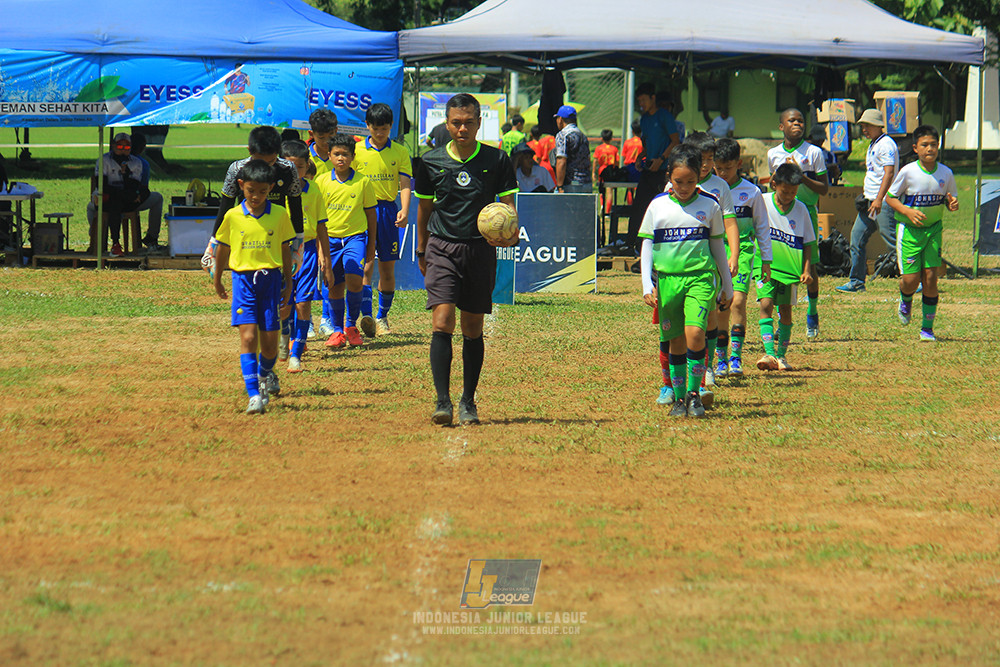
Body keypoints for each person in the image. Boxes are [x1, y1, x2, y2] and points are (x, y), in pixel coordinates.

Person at [414, 93, 518, 426]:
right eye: (456, 123)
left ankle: (468, 401)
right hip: (442, 247)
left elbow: (509, 207)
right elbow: (425, 210)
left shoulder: (498, 160)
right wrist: (421, 248)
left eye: (469, 123)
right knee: (442, 321)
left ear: (478, 123)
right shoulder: (429, 161)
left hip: (479, 250)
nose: (462, 128)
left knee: (472, 328)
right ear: (447, 123)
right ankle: (443, 401)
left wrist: (511, 232)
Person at [638, 144, 734, 418]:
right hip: (668, 282)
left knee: (695, 334)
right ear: (669, 176)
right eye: (679, 181)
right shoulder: (658, 206)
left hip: (700, 280)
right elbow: (647, 246)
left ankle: (695, 395)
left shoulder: (709, 205)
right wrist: (647, 284)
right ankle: (679, 399)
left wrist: (726, 286)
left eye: (690, 181)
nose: (684, 187)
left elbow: (717, 247)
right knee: (676, 341)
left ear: (699, 178)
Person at [212, 159, 294, 415]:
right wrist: (218, 278)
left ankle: (264, 373)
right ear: (241, 186)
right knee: (248, 338)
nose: (256, 196)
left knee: (270, 347)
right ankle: (254, 395)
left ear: (271, 187)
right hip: (243, 281)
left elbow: (285, 248)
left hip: (271, 281)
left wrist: (288, 282)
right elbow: (223, 248)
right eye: (250, 191)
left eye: (262, 191)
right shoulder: (233, 216)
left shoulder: (280, 215)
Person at [678, 132, 740, 394]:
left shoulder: (720, 187)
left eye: (709, 160)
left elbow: (729, 222)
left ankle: (708, 366)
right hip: (681, 260)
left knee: (711, 314)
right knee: (684, 319)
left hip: (710, 260)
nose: (705, 165)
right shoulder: (676, 183)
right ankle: (677, 374)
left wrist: (733, 254)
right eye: (700, 159)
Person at [202, 126, 304, 280]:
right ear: (249, 150)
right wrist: (213, 246)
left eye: (270, 162)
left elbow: (296, 206)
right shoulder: (237, 169)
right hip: (245, 234)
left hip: (275, 234)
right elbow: (225, 208)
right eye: (259, 161)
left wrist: (298, 246)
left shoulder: (288, 169)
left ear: (279, 152)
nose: (264, 169)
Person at [886, 125, 958, 343]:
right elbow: (890, 197)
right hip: (909, 232)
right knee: (910, 280)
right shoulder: (908, 172)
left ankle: (927, 329)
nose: (930, 149)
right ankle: (905, 298)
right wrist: (908, 211)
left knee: (930, 279)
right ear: (915, 148)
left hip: (933, 230)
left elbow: (949, 197)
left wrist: (951, 202)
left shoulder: (946, 173)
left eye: (934, 145)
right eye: (925, 145)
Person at [712, 138, 772, 378]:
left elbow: (762, 228)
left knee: (736, 302)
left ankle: (736, 357)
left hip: (743, 252)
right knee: (718, 306)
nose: (722, 172)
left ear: (739, 163)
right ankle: (721, 359)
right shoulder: (709, 189)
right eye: (718, 167)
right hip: (715, 251)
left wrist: (765, 260)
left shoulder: (752, 192)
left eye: (727, 167)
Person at [766, 108, 828, 340]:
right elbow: (772, 183)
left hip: (806, 212)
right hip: (780, 214)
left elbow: (824, 188)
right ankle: (778, 317)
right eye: (792, 121)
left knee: (809, 266)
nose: (797, 124)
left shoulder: (814, 153)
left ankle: (812, 312)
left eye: (801, 121)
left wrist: (803, 178)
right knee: (778, 265)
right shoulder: (773, 154)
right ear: (781, 126)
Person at [353, 102, 413, 336]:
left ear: (391, 127)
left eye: (384, 128)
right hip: (363, 211)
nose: (379, 133)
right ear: (367, 126)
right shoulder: (357, 151)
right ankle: (367, 316)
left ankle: (382, 317)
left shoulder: (400, 152)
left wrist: (405, 210)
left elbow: (405, 184)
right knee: (365, 266)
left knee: (387, 268)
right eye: (375, 128)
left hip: (388, 212)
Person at [315, 134, 377, 349]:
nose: (341, 158)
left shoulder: (363, 182)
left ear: (353, 156)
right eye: (337, 154)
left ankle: (351, 326)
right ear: (330, 156)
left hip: (355, 238)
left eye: (345, 154)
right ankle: (338, 331)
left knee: (354, 279)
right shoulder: (321, 182)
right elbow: (317, 220)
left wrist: (371, 245)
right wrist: (320, 250)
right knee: (333, 285)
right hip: (329, 240)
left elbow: (371, 215)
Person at [278, 140, 333, 373]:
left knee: (303, 303)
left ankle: (296, 355)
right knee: (284, 304)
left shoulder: (314, 191)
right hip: (280, 251)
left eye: (299, 167)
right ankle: (284, 333)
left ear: (307, 166)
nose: (294, 172)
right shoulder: (274, 191)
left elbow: (321, 227)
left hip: (307, 251)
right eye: (289, 166)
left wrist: (326, 260)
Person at [755, 163, 815, 372]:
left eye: (793, 192)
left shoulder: (801, 209)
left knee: (786, 312)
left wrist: (806, 270)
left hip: (790, 270)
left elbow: (808, 243)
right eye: (784, 191)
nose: (789, 195)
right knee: (766, 304)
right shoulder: (761, 203)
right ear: (774, 185)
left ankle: (781, 356)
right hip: (766, 267)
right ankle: (769, 353)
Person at [836, 109, 898, 293]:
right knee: (856, 238)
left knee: (893, 242)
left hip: (882, 202)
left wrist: (879, 199)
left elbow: (889, 173)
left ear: (879, 126)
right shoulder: (874, 144)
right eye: (863, 125)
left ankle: (915, 279)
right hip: (870, 202)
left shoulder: (886, 144)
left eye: (868, 125)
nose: (864, 129)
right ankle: (856, 281)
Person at [626, 83, 681, 254]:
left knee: (663, 208)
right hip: (648, 170)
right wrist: (640, 157)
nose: (641, 104)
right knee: (639, 207)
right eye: (639, 101)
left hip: (664, 171)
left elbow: (675, 141)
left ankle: (662, 246)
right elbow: (646, 143)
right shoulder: (644, 119)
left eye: (643, 100)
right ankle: (633, 245)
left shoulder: (664, 116)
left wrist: (662, 159)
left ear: (653, 98)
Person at [87, 133, 164, 254]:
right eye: (119, 146)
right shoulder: (104, 160)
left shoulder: (137, 163)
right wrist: (125, 193)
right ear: (113, 145)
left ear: (131, 147)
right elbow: (102, 185)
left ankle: (116, 243)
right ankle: (102, 241)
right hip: (109, 199)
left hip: (128, 201)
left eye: (126, 147)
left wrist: (126, 176)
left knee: (121, 199)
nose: (122, 149)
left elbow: (134, 187)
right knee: (112, 201)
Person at [553, 105, 591, 194]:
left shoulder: (563, 135)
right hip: (586, 183)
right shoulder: (583, 136)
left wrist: (560, 186)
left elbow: (561, 160)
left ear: (560, 119)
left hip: (571, 184)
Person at [593, 129, 620, 215]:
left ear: (602, 138)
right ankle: (608, 211)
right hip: (610, 170)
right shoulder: (614, 149)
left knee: (602, 188)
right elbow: (617, 162)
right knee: (610, 190)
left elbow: (595, 161)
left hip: (602, 170)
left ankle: (602, 206)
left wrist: (594, 172)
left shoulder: (599, 148)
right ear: (611, 138)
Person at [308, 108, 338, 180]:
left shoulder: (342, 157)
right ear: (311, 134)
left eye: (331, 136)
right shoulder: (306, 158)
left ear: (336, 131)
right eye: (321, 137)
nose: (326, 141)